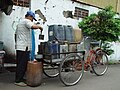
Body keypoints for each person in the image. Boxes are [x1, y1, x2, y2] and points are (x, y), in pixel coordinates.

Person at [14, 10, 43, 86]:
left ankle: (20, 78)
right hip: (24, 47)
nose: (32, 20)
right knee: (22, 64)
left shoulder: (20, 23)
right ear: (29, 16)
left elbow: (15, 35)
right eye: (32, 18)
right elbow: (32, 26)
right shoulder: (26, 21)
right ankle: (18, 81)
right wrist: (40, 27)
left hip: (20, 46)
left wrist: (17, 43)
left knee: (20, 63)